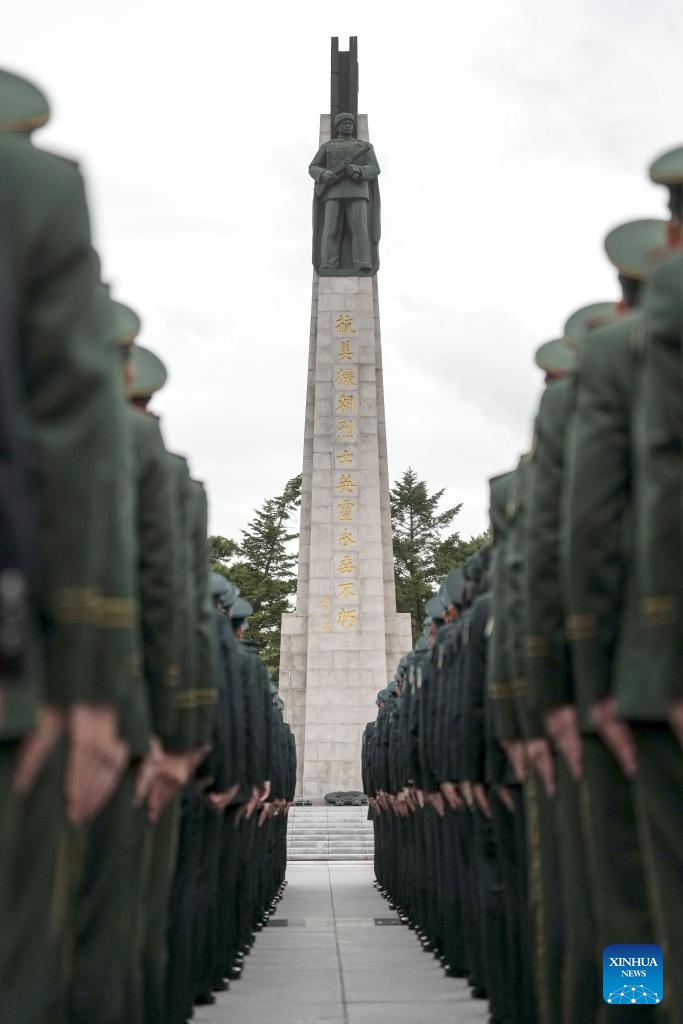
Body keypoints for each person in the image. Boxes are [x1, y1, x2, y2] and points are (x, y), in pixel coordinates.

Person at [309, 111, 380, 273]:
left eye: (350, 124)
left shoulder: (363, 147)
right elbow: (313, 167)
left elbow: (374, 168)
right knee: (331, 229)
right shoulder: (328, 146)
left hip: (357, 192)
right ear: (338, 126)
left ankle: (362, 262)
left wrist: (359, 170)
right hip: (333, 192)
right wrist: (324, 174)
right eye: (344, 124)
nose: (348, 126)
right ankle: (328, 263)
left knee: (360, 229)